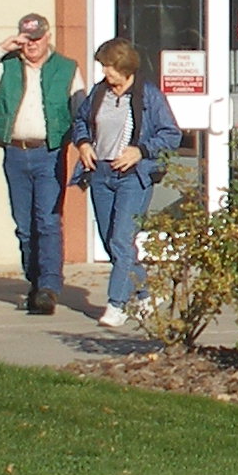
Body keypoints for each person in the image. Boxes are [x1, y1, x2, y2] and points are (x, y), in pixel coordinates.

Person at [0, 11, 80, 314]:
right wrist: (3, 47)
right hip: (15, 153)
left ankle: (49, 288)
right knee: (25, 226)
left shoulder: (66, 69)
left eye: (37, 38)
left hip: (50, 153)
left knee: (48, 221)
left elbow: (79, 108)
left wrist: (84, 145)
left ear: (48, 37)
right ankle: (35, 281)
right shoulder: (8, 66)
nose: (31, 44)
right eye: (27, 38)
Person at [71, 38, 183, 328]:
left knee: (122, 239)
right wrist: (83, 144)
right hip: (101, 173)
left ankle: (117, 305)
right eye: (103, 67)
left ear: (125, 67)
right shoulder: (99, 93)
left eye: (110, 67)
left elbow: (171, 134)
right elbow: (81, 121)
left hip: (134, 177)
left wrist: (140, 151)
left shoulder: (148, 96)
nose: (106, 73)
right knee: (112, 241)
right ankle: (146, 293)